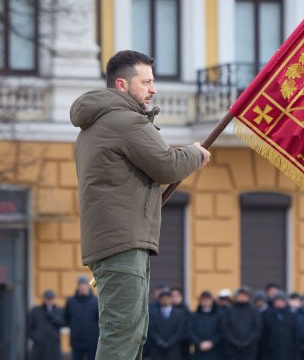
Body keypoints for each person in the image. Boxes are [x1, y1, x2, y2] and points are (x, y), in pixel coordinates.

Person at [70, 50, 210, 359]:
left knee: (132, 332)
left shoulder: (94, 126)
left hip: (117, 239)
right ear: (122, 84)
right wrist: (196, 154)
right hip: (123, 241)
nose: (153, 89)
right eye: (146, 82)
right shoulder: (125, 121)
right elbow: (167, 165)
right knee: (122, 334)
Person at [220, 286, 262, 360]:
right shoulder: (229, 310)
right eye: (240, 295)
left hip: (249, 350)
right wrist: (234, 342)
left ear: (248, 297)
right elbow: (225, 327)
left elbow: (257, 328)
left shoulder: (254, 311)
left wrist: (248, 342)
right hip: (232, 350)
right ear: (236, 297)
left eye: (244, 295)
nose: (242, 297)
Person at [64, 276, 99, 360]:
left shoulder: (96, 301)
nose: (83, 287)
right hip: (76, 341)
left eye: (85, 284)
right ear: (78, 286)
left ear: (88, 286)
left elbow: (100, 319)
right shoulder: (71, 301)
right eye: (81, 284)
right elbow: (66, 318)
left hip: (92, 342)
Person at [148, 290, 188, 360]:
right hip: (157, 350)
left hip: (174, 350)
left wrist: (169, 343)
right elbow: (151, 330)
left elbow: (180, 331)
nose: (165, 300)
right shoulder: (153, 314)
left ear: (171, 299)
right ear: (159, 300)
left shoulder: (179, 313)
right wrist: (160, 342)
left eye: (167, 298)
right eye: (163, 298)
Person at [259, 291, 299, 360]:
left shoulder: (291, 316)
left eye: (281, 301)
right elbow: (264, 336)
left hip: (288, 352)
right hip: (271, 352)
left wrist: (296, 354)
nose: (279, 303)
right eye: (277, 301)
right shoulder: (267, 316)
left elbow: (295, 335)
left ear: (285, 302)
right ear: (274, 302)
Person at [28, 290, 65, 360]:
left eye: (51, 298)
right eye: (48, 298)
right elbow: (29, 326)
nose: (49, 301)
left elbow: (63, 323)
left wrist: (53, 317)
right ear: (44, 299)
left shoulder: (59, 310)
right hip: (39, 346)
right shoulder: (36, 310)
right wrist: (35, 336)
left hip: (53, 346)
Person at [189, 291, 221, 360]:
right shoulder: (194, 315)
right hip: (198, 351)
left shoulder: (218, 315)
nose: (206, 301)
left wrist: (212, 342)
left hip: (215, 351)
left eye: (208, 299)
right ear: (200, 301)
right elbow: (190, 331)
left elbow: (221, 331)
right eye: (203, 299)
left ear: (212, 301)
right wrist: (199, 343)